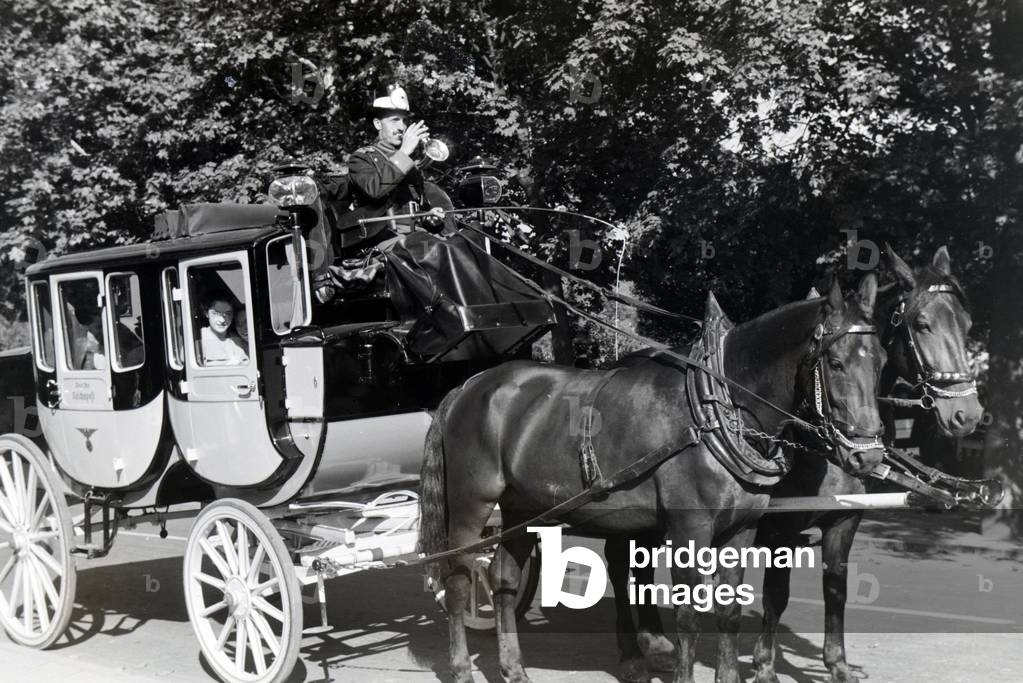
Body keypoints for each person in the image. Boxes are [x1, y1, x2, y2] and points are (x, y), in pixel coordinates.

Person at [343, 84, 440, 246]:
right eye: (394, 120)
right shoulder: (361, 157)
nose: (401, 127)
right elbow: (374, 190)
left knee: (461, 245)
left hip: (417, 234)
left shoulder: (407, 160)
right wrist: (404, 152)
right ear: (378, 124)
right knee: (439, 252)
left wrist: (428, 213)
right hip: (383, 236)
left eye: (404, 121)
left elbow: (411, 204)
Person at [199, 294, 248, 366]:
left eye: (228, 314)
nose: (222, 320)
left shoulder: (238, 338)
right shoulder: (198, 336)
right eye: (215, 313)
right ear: (206, 313)